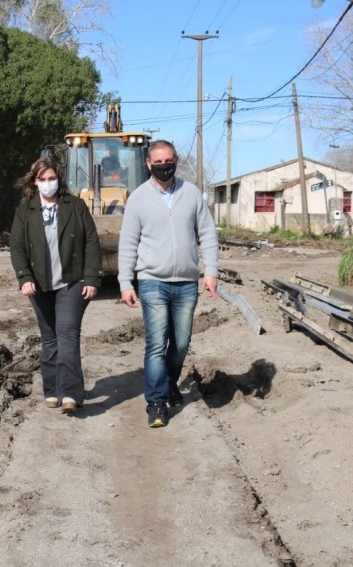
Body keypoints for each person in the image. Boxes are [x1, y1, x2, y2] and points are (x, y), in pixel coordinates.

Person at [117, 140, 219, 428]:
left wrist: (211, 271)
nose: (164, 166)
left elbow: (207, 234)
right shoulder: (138, 198)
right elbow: (128, 243)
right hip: (152, 281)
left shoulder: (192, 193)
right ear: (148, 164)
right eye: (158, 162)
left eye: (168, 161)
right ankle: (156, 403)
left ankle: (170, 383)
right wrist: (125, 282)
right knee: (156, 344)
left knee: (182, 342)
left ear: (176, 161)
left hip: (186, 282)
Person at [9, 156, 104, 415]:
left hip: (71, 281)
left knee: (67, 333)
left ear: (59, 180)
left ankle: (70, 393)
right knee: (49, 337)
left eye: (52, 178)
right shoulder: (25, 210)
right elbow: (17, 247)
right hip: (38, 284)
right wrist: (24, 277)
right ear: (35, 181)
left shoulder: (75, 206)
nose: (48, 183)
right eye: (42, 179)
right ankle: (51, 389)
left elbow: (91, 241)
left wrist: (92, 278)